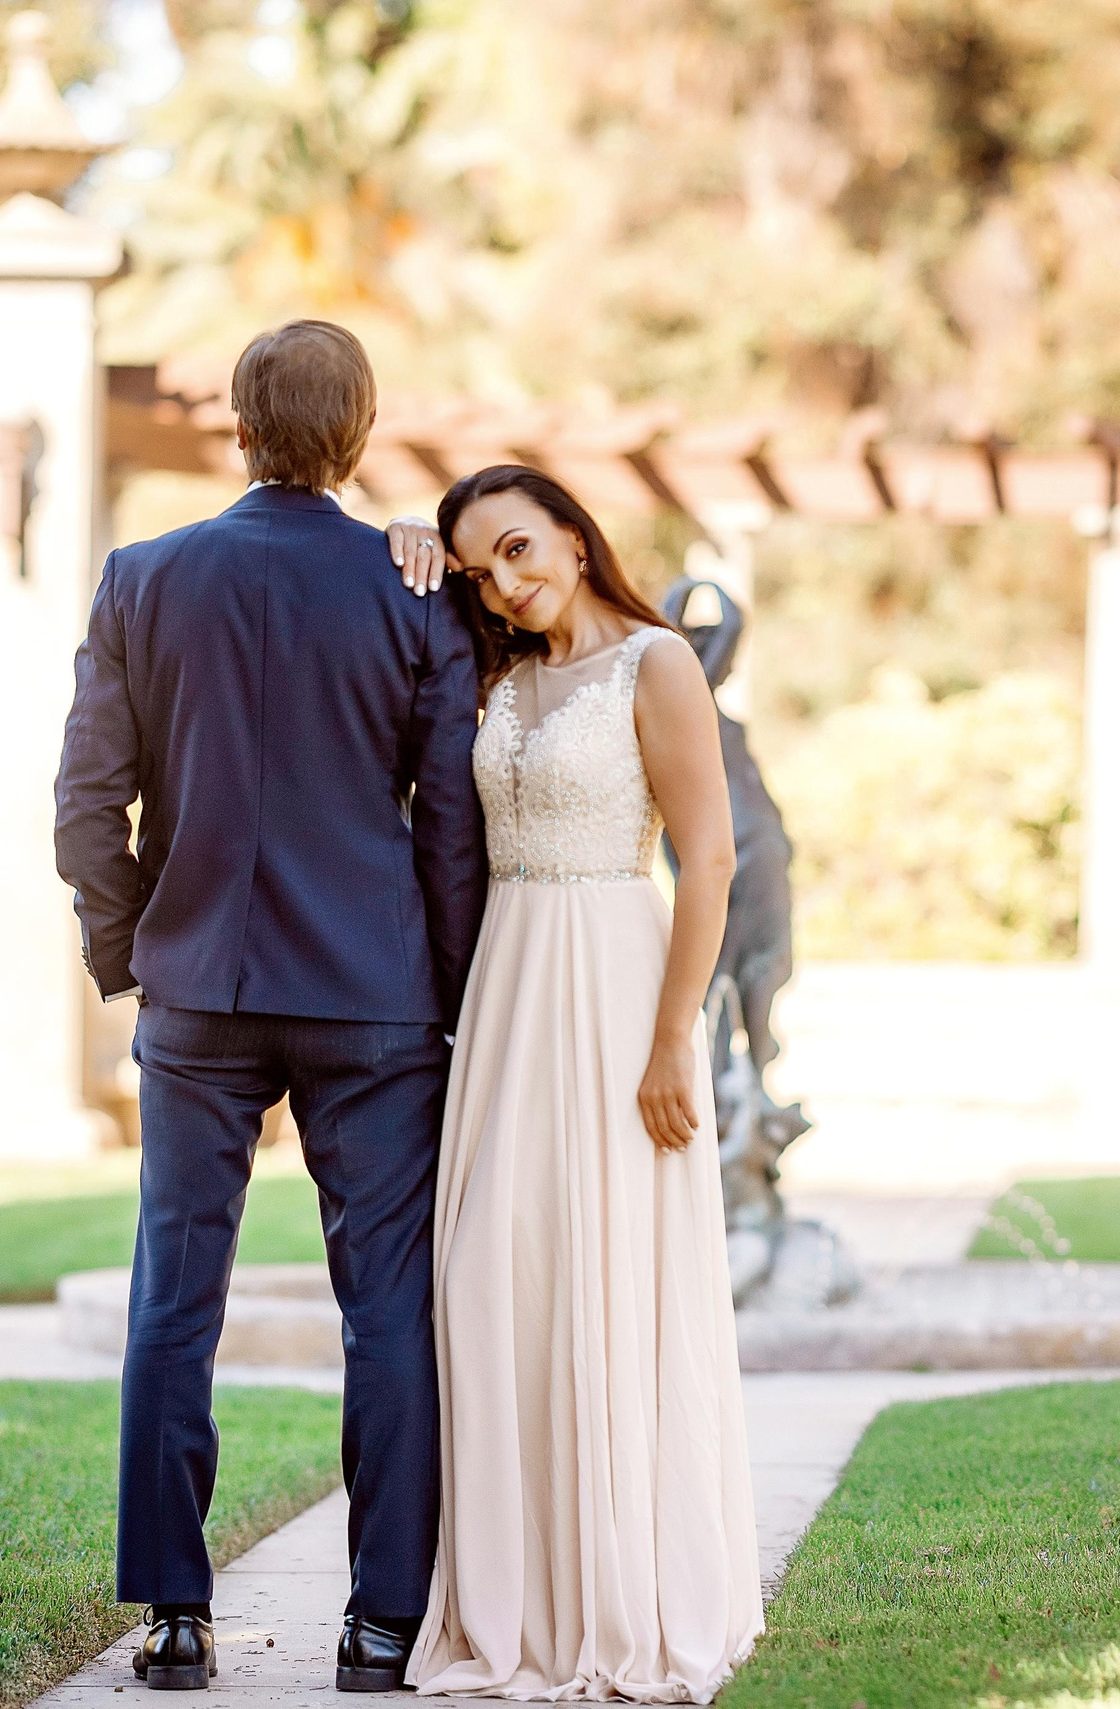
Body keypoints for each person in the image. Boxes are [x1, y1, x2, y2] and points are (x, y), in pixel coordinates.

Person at [52, 319, 484, 1693]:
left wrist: (135, 951)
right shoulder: (417, 592)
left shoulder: (142, 579)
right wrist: (456, 992)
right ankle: (379, 1626)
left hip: (200, 994)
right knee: (390, 1309)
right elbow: (450, 829)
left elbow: (83, 807)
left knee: (174, 1299)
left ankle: (176, 1621)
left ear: (238, 425)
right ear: (360, 435)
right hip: (375, 1001)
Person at [394, 464, 763, 1701]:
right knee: (496, 1275)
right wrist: (404, 539)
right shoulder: (503, 670)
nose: (505, 581)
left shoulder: (657, 663)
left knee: (608, 1274)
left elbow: (708, 858)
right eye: (481, 568)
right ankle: (515, 1601)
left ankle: (617, 1596)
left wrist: (674, 1042)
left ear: (568, 529)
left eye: (515, 547)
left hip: (615, 990)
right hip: (509, 992)